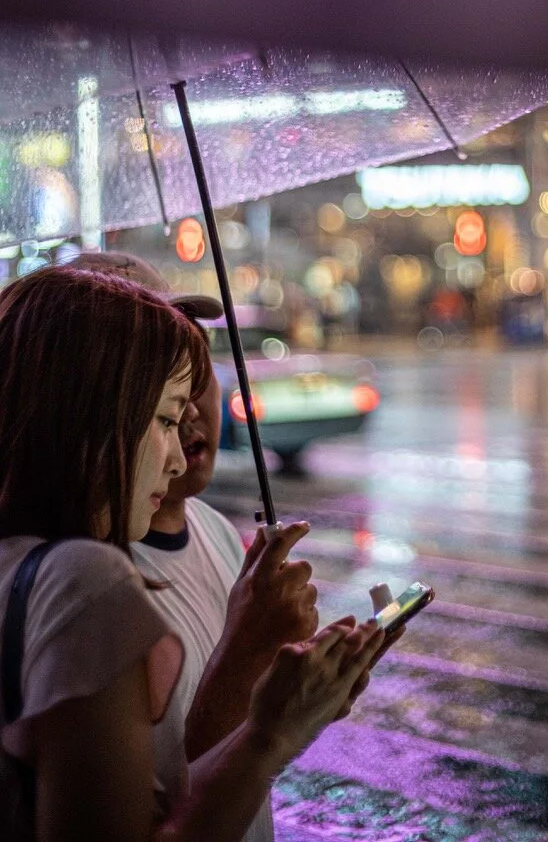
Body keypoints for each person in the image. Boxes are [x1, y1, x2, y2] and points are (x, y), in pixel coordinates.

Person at [0, 265, 385, 842]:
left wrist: (291, 705)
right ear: (95, 408)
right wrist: (266, 739)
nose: (178, 452)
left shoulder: (30, 560)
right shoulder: (86, 581)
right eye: (161, 416)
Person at [70, 251, 319, 842]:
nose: (187, 420)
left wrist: (302, 690)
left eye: (191, 365)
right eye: (156, 400)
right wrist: (255, 705)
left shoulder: (215, 530)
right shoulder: (83, 585)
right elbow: (164, 806)